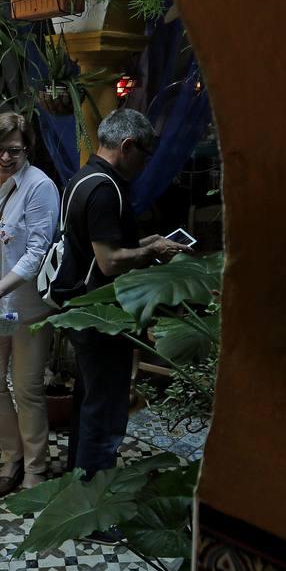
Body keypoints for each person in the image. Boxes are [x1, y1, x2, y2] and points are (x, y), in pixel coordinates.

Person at [49, 108, 187, 537]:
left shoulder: (82, 178)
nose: (145, 164)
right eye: (143, 155)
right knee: (106, 410)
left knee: (89, 402)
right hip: (100, 316)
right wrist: (149, 253)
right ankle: (96, 515)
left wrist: (145, 242)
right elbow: (109, 263)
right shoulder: (108, 190)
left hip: (80, 307)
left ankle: (78, 489)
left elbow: (97, 246)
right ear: (127, 146)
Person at [0, 112, 60, 498]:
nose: (5, 158)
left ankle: (35, 466)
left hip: (26, 305)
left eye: (14, 150)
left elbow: (37, 252)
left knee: (27, 388)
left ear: (28, 148)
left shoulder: (40, 187)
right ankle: (11, 456)